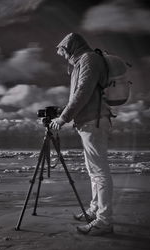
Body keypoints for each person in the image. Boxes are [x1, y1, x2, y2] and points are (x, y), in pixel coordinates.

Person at [49, 32, 114, 236]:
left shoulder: (88, 59)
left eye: (65, 53)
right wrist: (63, 110)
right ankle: (95, 210)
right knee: (94, 171)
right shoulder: (83, 62)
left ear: (71, 47)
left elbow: (83, 91)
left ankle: (104, 221)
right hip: (89, 121)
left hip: (93, 121)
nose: (65, 57)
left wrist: (63, 118)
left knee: (99, 172)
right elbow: (84, 93)